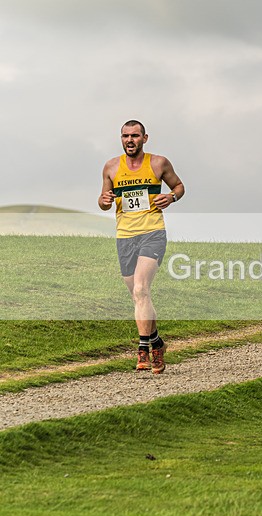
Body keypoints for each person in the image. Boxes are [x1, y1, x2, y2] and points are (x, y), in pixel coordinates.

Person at [98, 120, 185, 374]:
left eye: (135, 135)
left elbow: (179, 186)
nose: (130, 140)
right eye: (125, 136)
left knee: (141, 288)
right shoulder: (111, 167)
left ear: (145, 138)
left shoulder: (158, 163)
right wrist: (103, 201)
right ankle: (157, 342)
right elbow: (105, 200)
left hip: (152, 233)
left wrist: (171, 196)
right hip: (125, 236)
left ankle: (144, 349)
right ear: (121, 138)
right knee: (138, 295)